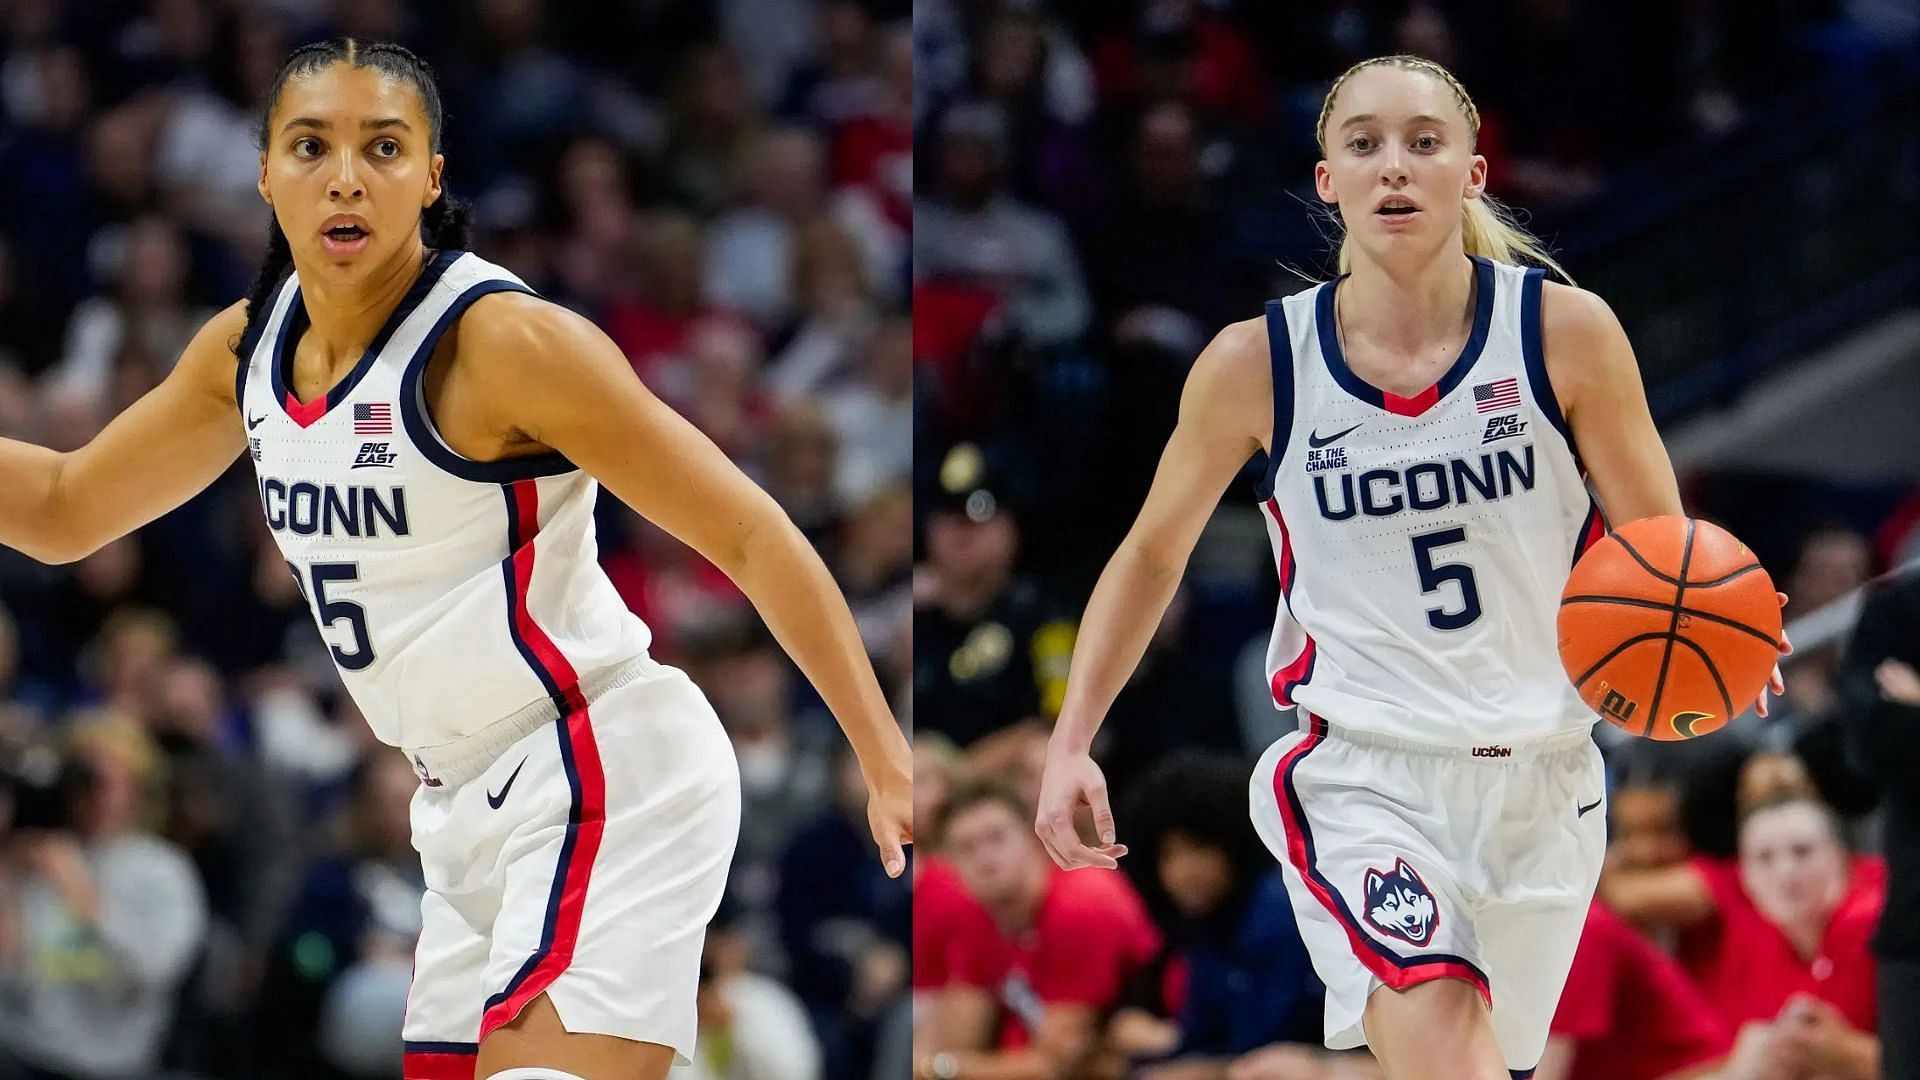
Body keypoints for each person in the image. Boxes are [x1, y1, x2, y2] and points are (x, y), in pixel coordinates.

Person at [0, 39, 912, 1080]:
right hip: (455, 804)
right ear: (263, 173)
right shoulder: (244, 348)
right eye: (311, 145)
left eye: (383, 146)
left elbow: (751, 531)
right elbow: (67, 509)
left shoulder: (503, 346)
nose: (346, 173)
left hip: (601, 760)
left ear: (431, 177)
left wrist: (884, 753)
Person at [1033, 53, 1789, 1080]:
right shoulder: (1255, 366)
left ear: (1472, 174)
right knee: (1446, 1049)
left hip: (1547, 772)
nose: (1395, 166)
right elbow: (1151, 552)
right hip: (1363, 776)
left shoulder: (1565, 334)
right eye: (1365, 144)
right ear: (1326, 179)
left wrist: (1719, 633)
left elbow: (1664, 545)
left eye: (1424, 143)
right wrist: (1072, 739)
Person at [915, 777, 1160, 1080]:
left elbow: (1055, 1065)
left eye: (996, 838)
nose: (984, 858)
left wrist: (938, 1068)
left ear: (1033, 839)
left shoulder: (1081, 903)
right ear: (948, 863)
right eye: (966, 847)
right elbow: (958, 1030)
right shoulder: (979, 915)